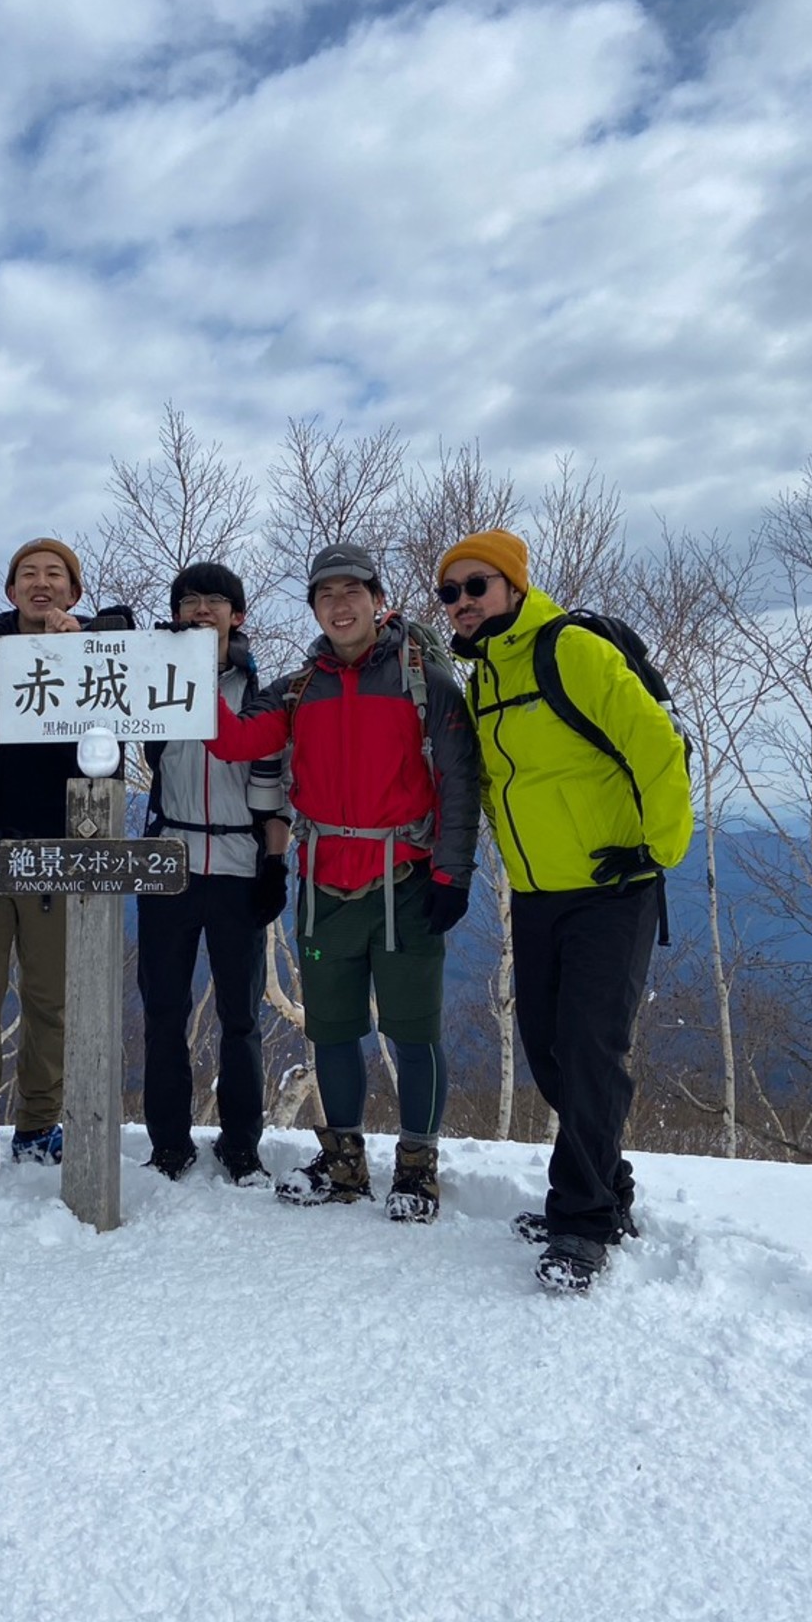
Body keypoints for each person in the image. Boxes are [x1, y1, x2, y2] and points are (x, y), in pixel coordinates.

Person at [437, 530, 694, 1292]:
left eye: (475, 587)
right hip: (539, 891)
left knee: (590, 1048)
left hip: (614, 888)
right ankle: (606, 1189)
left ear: (514, 586)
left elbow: (656, 744)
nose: (461, 605)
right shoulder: (483, 677)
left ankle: (580, 1222)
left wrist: (657, 851)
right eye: (449, 594)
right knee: (548, 1048)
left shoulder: (568, 649)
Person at [205, 544, 479, 1219]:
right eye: (326, 595)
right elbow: (232, 741)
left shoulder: (424, 681)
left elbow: (459, 780)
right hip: (324, 882)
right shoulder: (302, 689)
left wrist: (453, 873)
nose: (340, 604)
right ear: (315, 609)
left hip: (407, 880)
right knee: (332, 1031)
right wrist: (194, 667)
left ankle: (416, 1167)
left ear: (376, 599)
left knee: (413, 1035)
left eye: (352, 590)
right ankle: (345, 1159)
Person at [0, 538, 135, 1182]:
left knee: (55, 1000)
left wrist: (84, 641)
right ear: (11, 589)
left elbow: (122, 716)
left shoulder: (93, 653)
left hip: (61, 856)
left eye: (56, 575)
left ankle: (37, 1125)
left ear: (74, 592)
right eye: (28, 574)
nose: (41, 583)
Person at [138, 562, 290, 1185]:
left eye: (215, 601)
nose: (201, 610)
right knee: (164, 1013)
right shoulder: (151, 678)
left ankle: (240, 1144)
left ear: (239, 615)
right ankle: (169, 1143)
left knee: (241, 1016)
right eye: (189, 601)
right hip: (168, 861)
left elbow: (276, 786)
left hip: (236, 865)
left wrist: (275, 865)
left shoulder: (264, 695)